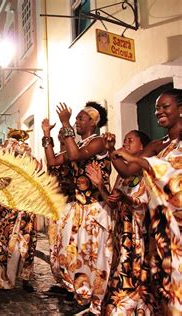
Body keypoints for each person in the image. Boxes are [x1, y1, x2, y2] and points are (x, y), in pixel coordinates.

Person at [111, 88, 181, 314]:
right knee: (158, 284)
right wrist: (114, 151)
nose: (159, 111)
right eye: (157, 108)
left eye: (165, 106)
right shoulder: (159, 144)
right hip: (156, 226)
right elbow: (129, 169)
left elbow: (175, 176)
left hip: (177, 224)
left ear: (181, 109)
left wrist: (143, 163)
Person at [42, 101, 113, 314]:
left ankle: (98, 297)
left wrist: (65, 123)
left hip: (95, 209)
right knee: (75, 253)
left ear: (93, 122)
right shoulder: (79, 144)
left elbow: (75, 156)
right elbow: (54, 161)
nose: (76, 121)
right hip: (78, 210)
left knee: (94, 255)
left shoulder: (98, 142)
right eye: (75, 119)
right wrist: (47, 134)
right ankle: (82, 292)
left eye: (80, 118)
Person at [86, 130, 153, 315]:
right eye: (124, 140)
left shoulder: (146, 170)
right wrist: (100, 185)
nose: (126, 143)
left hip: (139, 235)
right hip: (121, 234)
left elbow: (145, 202)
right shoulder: (122, 174)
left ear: (142, 147)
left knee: (138, 276)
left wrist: (126, 198)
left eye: (130, 140)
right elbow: (111, 203)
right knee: (119, 275)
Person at [0, 129, 37, 291]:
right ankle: (18, 277)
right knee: (17, 241)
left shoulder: (9, 155)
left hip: (17, 205)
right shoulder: (23, 157)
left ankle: (4, 277)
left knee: (8, 241)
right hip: (15, 204)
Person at [44, 127, 76, 298]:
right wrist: (46, 135)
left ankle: (72, 283)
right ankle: (62, 282)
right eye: (60, 136)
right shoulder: (57, 156)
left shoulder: (74, 154)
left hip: (70, 206)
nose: (62, 139)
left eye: (64, 136)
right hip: (56, 207)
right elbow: (51, 164)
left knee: (67, 245)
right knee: (54, 246)